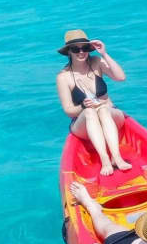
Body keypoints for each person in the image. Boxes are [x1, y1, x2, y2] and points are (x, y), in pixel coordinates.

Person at [55, 30, 131, 176]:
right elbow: (68, 110)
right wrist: (83, 106)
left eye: (84, 48)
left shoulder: (96, 62)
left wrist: (104, 54)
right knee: (90, 112)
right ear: (69, 52)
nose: (81, 52)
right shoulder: (63, 77)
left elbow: (120, 77)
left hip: (110, 114)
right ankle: (105, 161)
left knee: (103, 108)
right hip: (83, 122)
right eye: (76, 49)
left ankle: (117, 158)